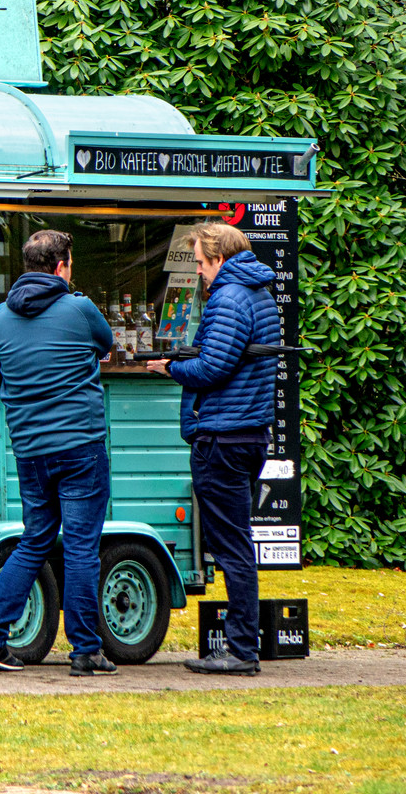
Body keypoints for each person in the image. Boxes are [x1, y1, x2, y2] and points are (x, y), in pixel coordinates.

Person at [0, 229, 118, 676]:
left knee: (35, 540)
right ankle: (86, 650)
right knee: (79, 548)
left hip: (30, 450)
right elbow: (106, 344)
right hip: (80, 448)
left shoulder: (0, 317)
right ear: (61, 267)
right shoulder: (80, 308)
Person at [146, 222, 279, 676]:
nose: (200, 271)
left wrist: (171, 367)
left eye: (202, 262)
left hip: (222, 436)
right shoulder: (259, 291)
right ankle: (243, 645)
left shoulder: (229, 295)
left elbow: (214, 367)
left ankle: (241, 650)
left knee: (231, 547)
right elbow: (233, 357)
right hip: (248, 433)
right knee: (236, 543)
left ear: (219, 258)